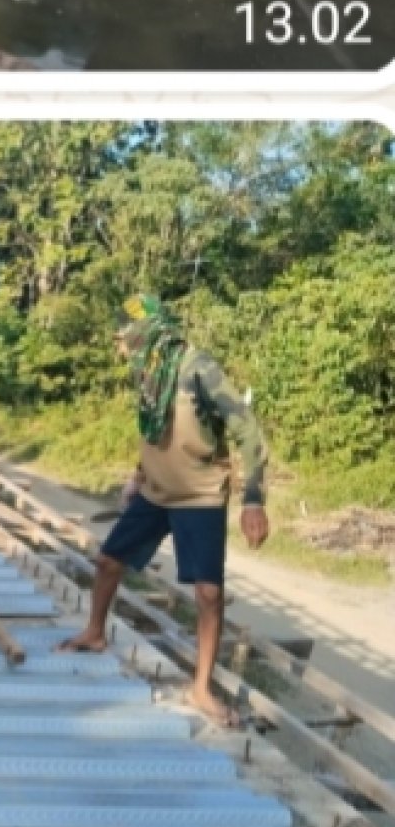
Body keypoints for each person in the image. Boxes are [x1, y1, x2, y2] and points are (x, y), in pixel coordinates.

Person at [59, 295, 270, 726]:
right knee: (107, 561)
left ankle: (201, 688)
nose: (121, 347)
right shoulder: (149, 371)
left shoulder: (199, 370)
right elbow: (157, 431)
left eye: (125, 338)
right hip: (155, 492)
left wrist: (253, 500)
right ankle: (96, 632)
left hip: (200, 497)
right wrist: (138, 475)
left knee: (209, 595)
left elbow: (248, 431)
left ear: (147, 333)